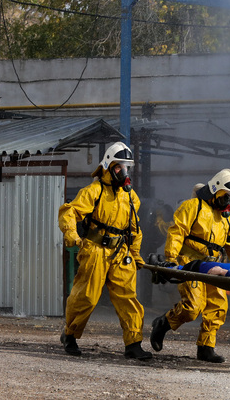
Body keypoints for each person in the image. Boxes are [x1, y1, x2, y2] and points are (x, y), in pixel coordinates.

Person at [57, 142, 152, 360]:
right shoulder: (93, 191)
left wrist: (135, 253)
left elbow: (135, 229)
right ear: (109, 167)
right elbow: (69, 212)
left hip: (121, 252)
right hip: (95, 250)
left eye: (127, 167)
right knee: (87, 297)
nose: (124, 172)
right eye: (119, 167)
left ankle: (133, 344)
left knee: (128, 298)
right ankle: (69, 334)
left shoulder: (131, 197)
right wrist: (72, 235)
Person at [149, 168, 230, 363]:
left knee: (218, 307)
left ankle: (206, 348)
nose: (228, 202)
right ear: (215, 190)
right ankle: (163, 324)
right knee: (192, 307)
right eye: (226, 196)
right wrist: (171, 259)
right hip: (190, 263)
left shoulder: (228, 216)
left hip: (216, 266)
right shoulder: (193, 207)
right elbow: (177, 232)